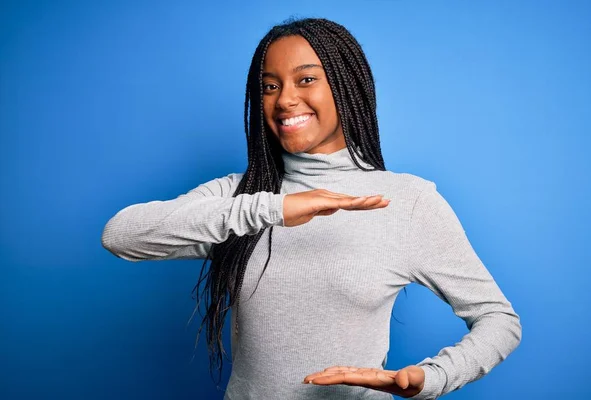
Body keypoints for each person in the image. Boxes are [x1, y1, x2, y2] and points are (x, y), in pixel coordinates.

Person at [101, 17, 522, 400]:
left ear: (346, 86)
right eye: (269, 86)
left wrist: (431, 377)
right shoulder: (243, 198)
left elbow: (499, 320)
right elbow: (121, 235)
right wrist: (275, 207)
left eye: (305, 80)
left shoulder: (408, 201)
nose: (284, 100)